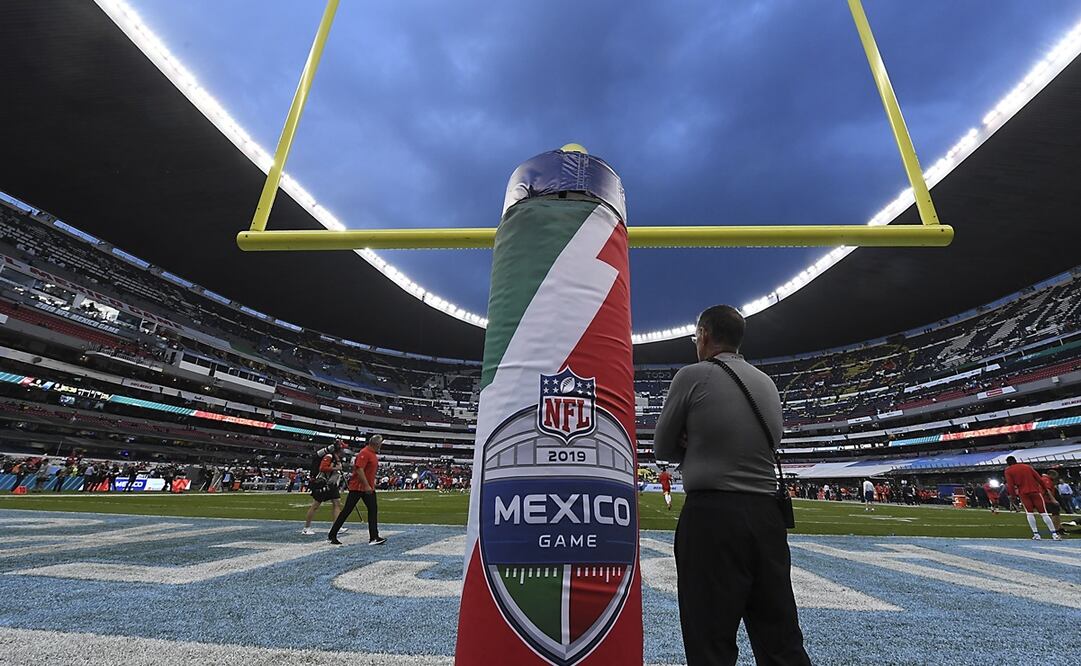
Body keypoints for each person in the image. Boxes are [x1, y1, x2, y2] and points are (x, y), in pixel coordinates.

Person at [653, 305, 810, 666]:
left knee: (710, 640)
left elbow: (662, 447)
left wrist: (694, 441)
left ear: (704, 336)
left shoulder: (692, 376)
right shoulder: (766, 383)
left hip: (712, 517)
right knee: (781, 638)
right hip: (766, 517)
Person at [329, 435, 386, 546]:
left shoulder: (372, 454)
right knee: (348, 511)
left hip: (365, 487)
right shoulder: (365, 453)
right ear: (376, 444)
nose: (381, 446)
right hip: (359, 487)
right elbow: (359, 469)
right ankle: (373, 537)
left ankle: (374, 536)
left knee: (371, 510)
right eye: (380, 444)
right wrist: (366, 485)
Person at [1004, 456, 1060, 540]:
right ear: (1016, 461)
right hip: (1035, 492)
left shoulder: (1008, 470)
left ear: (1007, 463)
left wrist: (1013, 496)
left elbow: (1010, 485)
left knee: (1029, 513)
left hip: (1023, 493)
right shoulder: (1027, 467)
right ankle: (1054, 534)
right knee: (1044, 513)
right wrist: (1044, 489)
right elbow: (1039, 479)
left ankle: (1036, 534)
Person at [302, 448, 344, 536]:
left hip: (332, 484)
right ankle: (306, 528)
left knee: (337, 503)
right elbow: (322, 468)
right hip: (323, 483)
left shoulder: (337, 459)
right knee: (315, 505)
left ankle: (336, 526)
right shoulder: (329, 456)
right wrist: (336, 468)